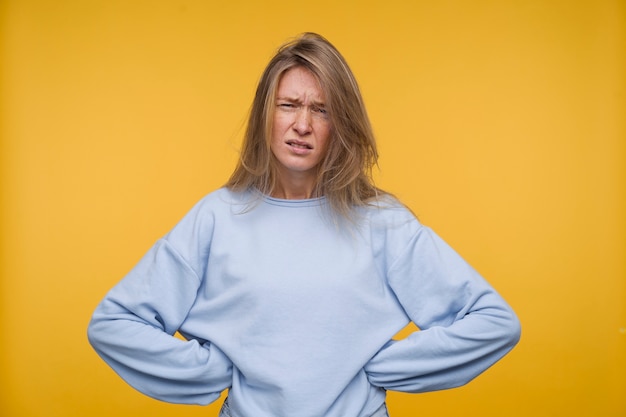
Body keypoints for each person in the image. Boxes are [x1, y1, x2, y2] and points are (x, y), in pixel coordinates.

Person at [87, 32, 521, 417]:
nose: (302, 124)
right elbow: (113, 323)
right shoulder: (216, 217)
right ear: (265, 115)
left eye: (322, 110)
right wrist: (210, 372)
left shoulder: (382, 223)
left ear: (342, 123)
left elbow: (493, 322)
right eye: (288, 105)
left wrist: (374, 367)